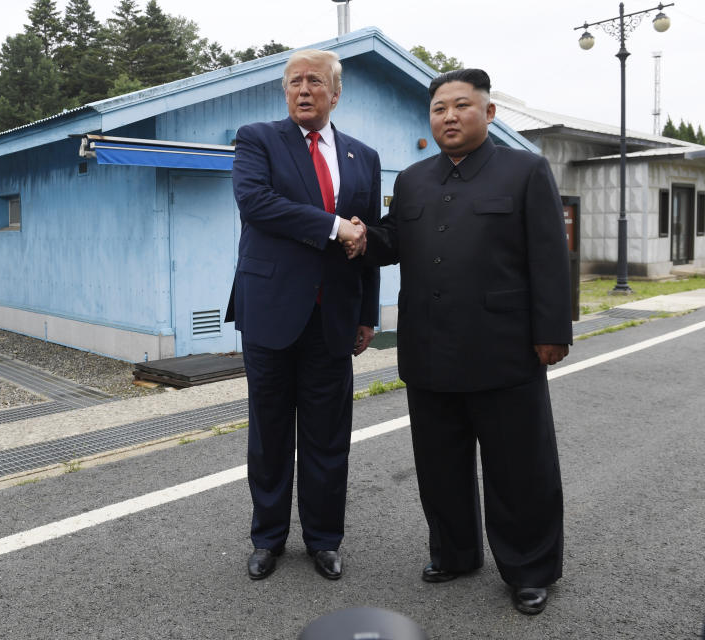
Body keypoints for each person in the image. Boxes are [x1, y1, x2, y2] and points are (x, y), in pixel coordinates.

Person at [358, 68, 571, 614]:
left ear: (488, 113)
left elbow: (550, 256)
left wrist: (551, 330)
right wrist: (353, 235)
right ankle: (454, 553)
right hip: (429, 349)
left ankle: (529, 568)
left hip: (505, 348)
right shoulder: (413, 179)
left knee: (520, 467)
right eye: (438, 109)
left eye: (461, 106)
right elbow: (392, 241)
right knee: (439, 464)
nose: (449, 117)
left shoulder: (524, 170)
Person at [225, 49, 380, 582]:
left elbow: (370, 241)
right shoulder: (257, 139)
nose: (304, 89)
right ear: (285, 92)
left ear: (335, 94)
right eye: (295, 81)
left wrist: (367, 313)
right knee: (269, 433)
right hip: (270, 311)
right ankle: (267, 538)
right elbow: (256, 204)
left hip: (334, 316)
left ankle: (324, 540)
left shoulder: (364, 156)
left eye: (315, 81)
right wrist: (336, 227)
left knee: (327, 435)